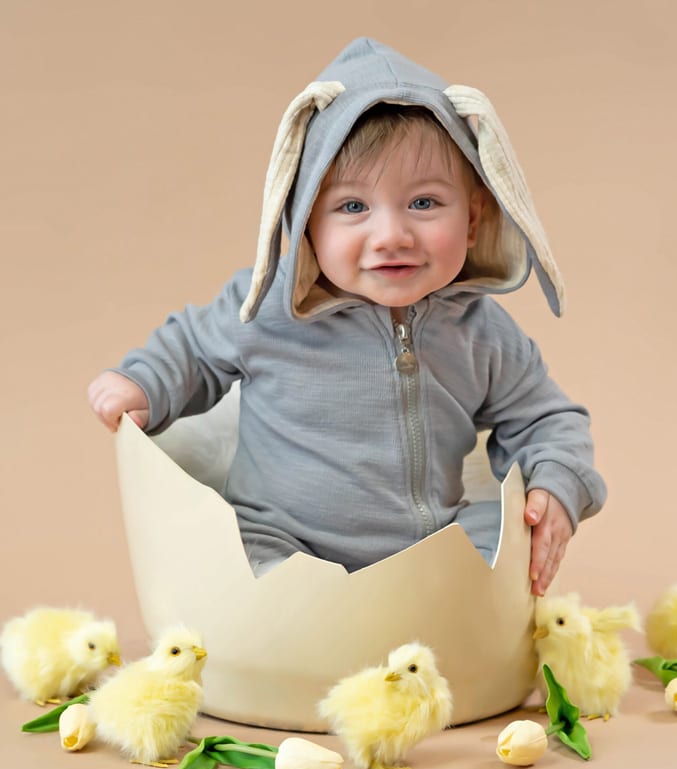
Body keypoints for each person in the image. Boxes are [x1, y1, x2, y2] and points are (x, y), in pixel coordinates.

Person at [88, 38, 607, 596]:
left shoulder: (481, 330)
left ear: (476, 218)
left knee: (499, 543)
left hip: (431, 543)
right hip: (283, 537)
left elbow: (546, 419)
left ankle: (442, 638)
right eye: (352, 207)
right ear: (306, 223)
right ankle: (302, 644)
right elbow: (191, 349)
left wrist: (557, 483)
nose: (392, 235)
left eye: (425, 203)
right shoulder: (268, 307)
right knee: (251, 576)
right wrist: (142, 382)